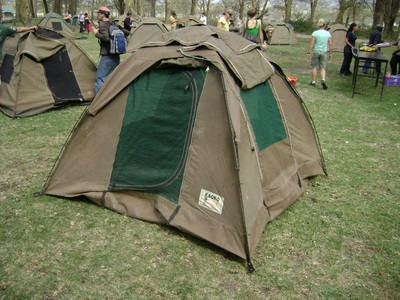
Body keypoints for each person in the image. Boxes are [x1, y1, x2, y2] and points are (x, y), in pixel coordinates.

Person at [92, 6, 121, 94]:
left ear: (102, 15)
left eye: (99, 13)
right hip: (116, 55)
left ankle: (98, 103)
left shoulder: (103, 24)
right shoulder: (113, 24)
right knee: (113, 78)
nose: (97, 15)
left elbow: (105, 38)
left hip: (107, 56)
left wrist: (96, 33)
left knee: (100, 79)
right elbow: (125, 32)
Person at [307, 19, 332, 90]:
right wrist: (330, 53)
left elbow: (312, 43)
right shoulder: (328, 34)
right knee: (323, 67)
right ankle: (323, 79)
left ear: (318, 25)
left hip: (316, 51)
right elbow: (330, 44)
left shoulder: (315, 33)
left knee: (314, 66)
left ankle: (313, 81)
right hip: (324, 52)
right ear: (324, 25)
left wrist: (308, 52)